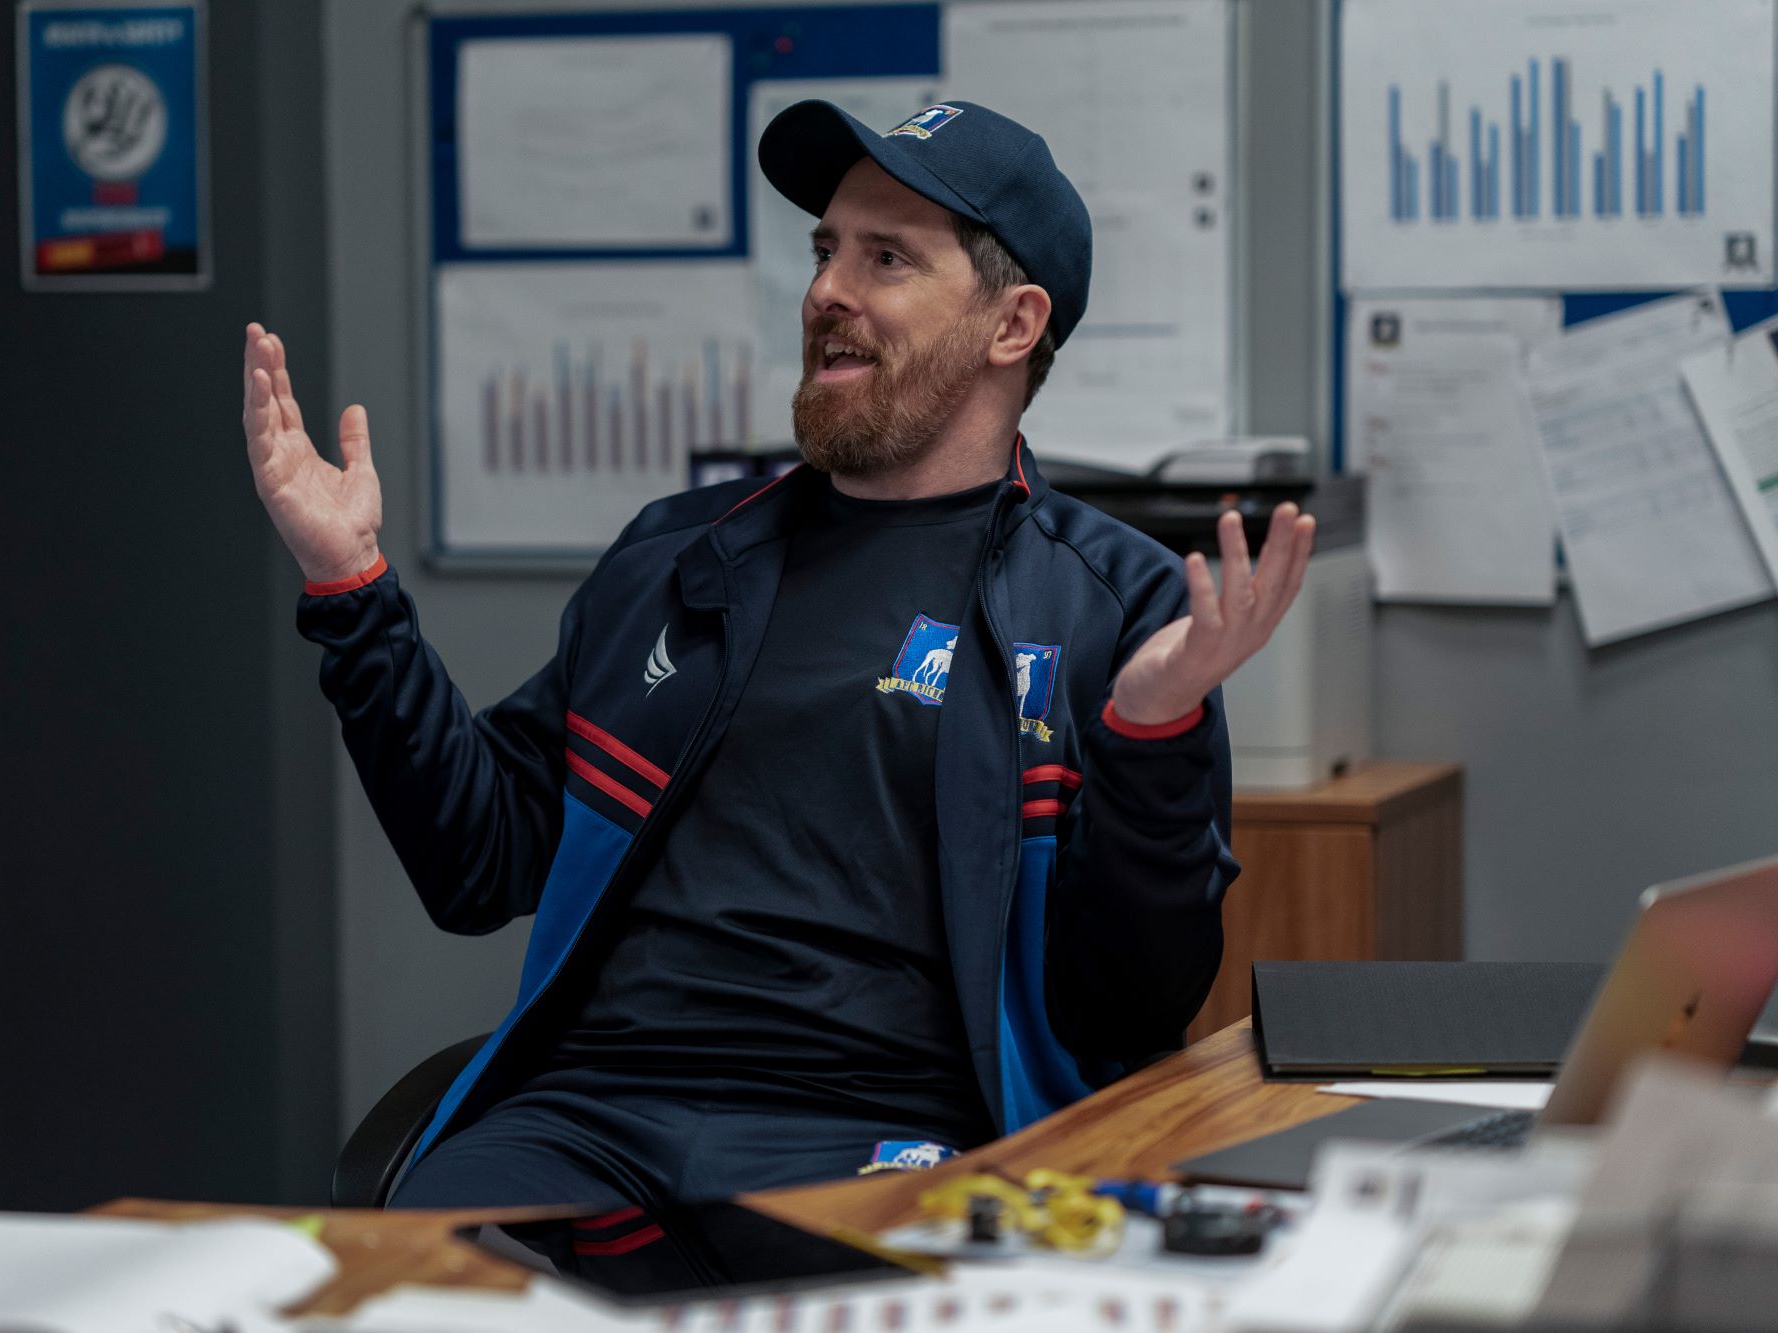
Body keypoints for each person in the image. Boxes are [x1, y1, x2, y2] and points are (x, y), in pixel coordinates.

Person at [241, 100, 1314, 1210]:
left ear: (1011, 322)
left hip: (889, 1141)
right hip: (591, 1124)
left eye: (884, 257)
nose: (824, 294)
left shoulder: (1115, 603)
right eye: (823, 251)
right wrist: (352, 589)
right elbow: (479, 863)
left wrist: (1149, 738)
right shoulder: (678, 556)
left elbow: (1127, 1010)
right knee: (411, 1290)